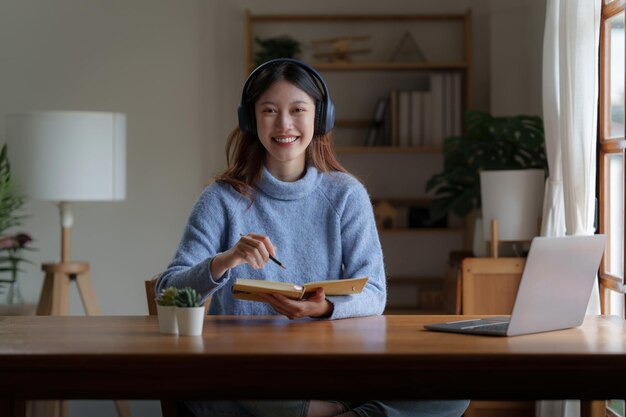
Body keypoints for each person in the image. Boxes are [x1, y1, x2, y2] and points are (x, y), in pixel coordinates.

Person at [157, 58, 469, 417]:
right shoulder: (219, 200)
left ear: (320, 118)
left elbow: (375, 293)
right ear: (250, 119)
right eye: (269, 110)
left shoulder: (346, 195)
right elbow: (167, 292)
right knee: (223, 388)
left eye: (298, 110)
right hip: (250, 373)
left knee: (454, 389)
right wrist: (225, 260)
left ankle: (325, 412)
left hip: (328, 367)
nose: (284, 124)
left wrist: (323, 308)